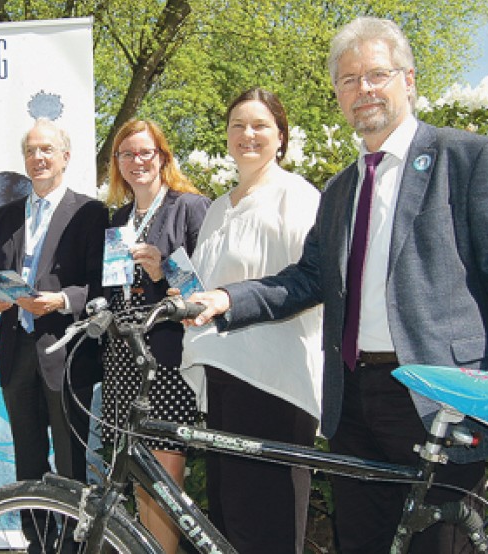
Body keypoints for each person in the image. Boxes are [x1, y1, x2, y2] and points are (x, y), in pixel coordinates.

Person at [188, 17, 488, 554]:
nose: (363, 90)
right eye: (347, 80)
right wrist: (227, 298)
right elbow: (308, 279)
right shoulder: (340, 189)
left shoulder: (468, 158)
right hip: (353, 401)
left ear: (408, 79)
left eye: (375, 75)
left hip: (440, 394)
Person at [180, 88, 323, 553]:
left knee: (269, 531)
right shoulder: (219, 207)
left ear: (280, 136)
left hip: (274, 382)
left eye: (260, 125)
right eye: (237, 125)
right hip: (222, 377)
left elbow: (309, 283)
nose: (247, 134)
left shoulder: (296, 195)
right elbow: (208, 282)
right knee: (229, 523)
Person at [0, 118, 108, 553]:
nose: (38, 158)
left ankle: (74, 546)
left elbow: (100, 286)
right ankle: (39, 542)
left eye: (47, 150)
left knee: (72, 464)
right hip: (16, 355)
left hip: (66, 354)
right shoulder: (4, 216)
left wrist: (60, 301)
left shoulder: (91, 213)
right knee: (28, 461)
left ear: (65, 158)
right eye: (31, 151)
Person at [100, 119, 210, 553]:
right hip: (125, 360)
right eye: (126, 154)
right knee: (139, 479)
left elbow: (205, 291)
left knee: (164, 482)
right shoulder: (119, 219)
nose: (136, 161)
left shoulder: (190, 207)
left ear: (162, 156)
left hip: (167, 359)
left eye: (145, 152)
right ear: (117, 164)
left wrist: (162, 272)